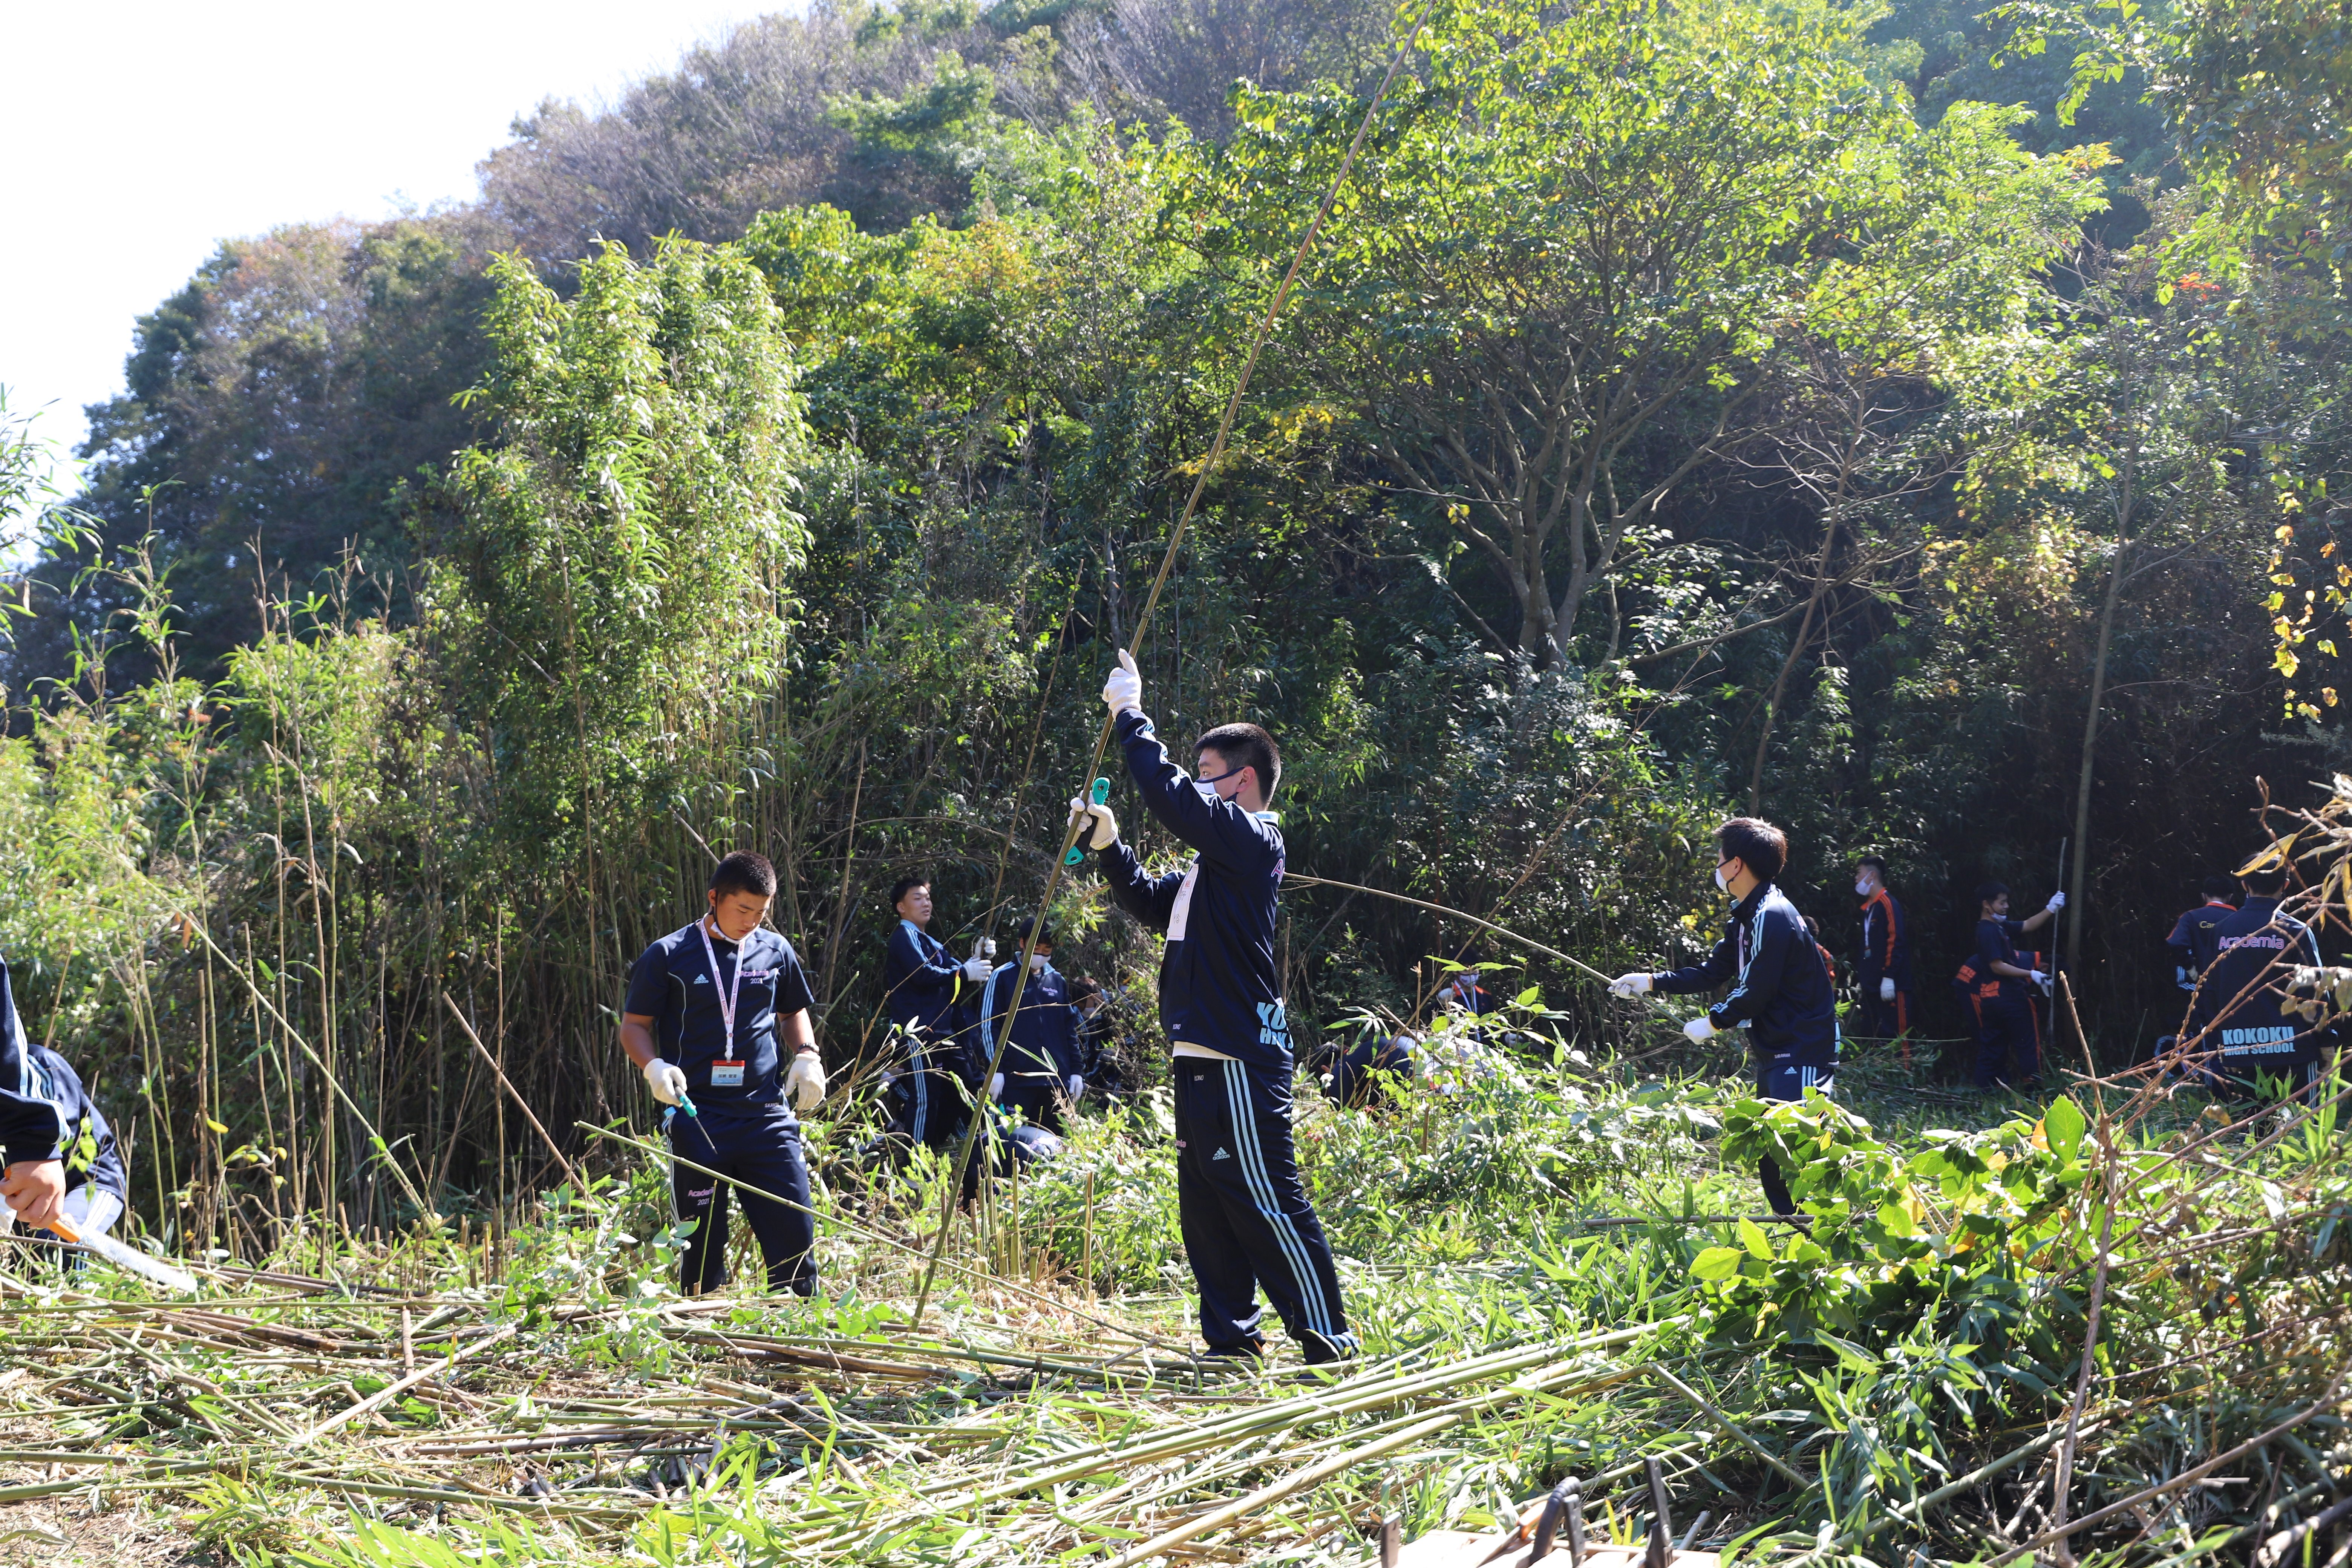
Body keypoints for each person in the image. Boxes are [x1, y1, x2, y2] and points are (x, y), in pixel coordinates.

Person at [1071, 650, 1359, 1364]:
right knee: (1207, 1205)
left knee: (1264, 1197)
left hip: (1238, 1051)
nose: (1199, 792)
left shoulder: (1256, 840)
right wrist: (1110, 846)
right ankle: (1232, 1341)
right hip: (1200, 1054)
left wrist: (1131, 718)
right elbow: (1147, 899)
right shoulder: (1211, 870)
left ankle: (1330, 1342)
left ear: (1246, 782)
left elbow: (1173, 797)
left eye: (1209, 780)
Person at [621, 851, 827, 1296]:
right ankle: (704, 1336)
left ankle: (794, 1338)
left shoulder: (776, 950)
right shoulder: (670, 954)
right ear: (715, 898)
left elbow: (794, 1010)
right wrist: (653, 1066)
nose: (752, 921)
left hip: (765, 1116)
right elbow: (634, 1026)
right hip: (698, 1116)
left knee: (794, 1233)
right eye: (743, 909)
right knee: (700, 1247)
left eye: (761, 912)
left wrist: (808, 1053)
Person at [1609, 818, 1838, 1217]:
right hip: (1776, 1049)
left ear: (1737, 864)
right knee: (1772, 1151)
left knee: (1797, 1153)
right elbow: (1711, 972)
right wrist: (1649, 981)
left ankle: (1822, 1245)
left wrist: (1714, 1021)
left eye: (1719, 858)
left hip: (1803, 1049)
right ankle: (1796, 1241)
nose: (1716, 866)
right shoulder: (1747, 916)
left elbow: (1757, 989)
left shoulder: (1773, 913)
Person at [0, 956, 129, 1248]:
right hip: (33, 1185)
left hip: (90, 1183)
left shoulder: (44, 1069)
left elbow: (56, 1136)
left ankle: (80, 1289)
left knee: (61, 1246)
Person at [2183, 859, 2331, 1096]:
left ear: (2244, 885)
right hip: (2294, 1051)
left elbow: (2208, 993)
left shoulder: (2222, 931)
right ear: (2285, 885)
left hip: (2238, 1050)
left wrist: (2218, 1047)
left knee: (2250, 1130)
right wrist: (2326, 1041)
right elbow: (2316, 991)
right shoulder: (2296, 930)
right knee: (2299, 1129)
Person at [880, 875, 990, 1155]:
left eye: (927, 897)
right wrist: (964, 972)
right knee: (925, 1098)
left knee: (964, 1090)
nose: (925, 902)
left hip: (944, 1032)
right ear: (901, 907)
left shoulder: (929, 940)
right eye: (917, 898)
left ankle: (960, 1155)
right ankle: (915, 1165)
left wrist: (977, 958)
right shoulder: (904, 937)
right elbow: (924, 975)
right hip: (918, 1031)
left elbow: (956, 969)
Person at [978, 916, 1084, 1136]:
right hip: (1015, 1082)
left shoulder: (1057, 980)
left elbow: (1069, 1031)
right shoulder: (1003, 977)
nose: (1041, 954)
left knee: (1052, 1145)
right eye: (1036, 947)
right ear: (1022, 943)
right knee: (1010, 1142)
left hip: (1055, 1083)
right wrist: (996, 1069)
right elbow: (989, 1026)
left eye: (1047, 949)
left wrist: (1076, 1072)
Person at [1967, 880, 2065, 1092]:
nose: (2006, 906)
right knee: (2028, 1045)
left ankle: (1983, 1092)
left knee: (1993, 1047)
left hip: (1991, 1000)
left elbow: (2028, 925)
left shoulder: (1998, 927)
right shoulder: (1988, 931)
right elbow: (1997, 966)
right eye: (2002, 903)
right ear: (1987, 905)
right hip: (2011, 997)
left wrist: (2050, 909)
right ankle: (2034, 1093)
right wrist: (2032, 974)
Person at [1852, 855, 1915, 1038]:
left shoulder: (1888, 903)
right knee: (1874, 1038)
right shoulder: (1868, 908)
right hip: (1872, 987)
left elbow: (1896, 940)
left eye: (1859, 873)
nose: (1856, 878)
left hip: (1892, 987)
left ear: (1872, 876)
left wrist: (1889, 976)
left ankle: (1905, 1068)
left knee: (1897, 1038)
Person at [2166, 876, 2239, 993]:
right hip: (2233, 990)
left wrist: (2192, 971)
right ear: (2230, 897)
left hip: (2200, 989)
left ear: (2204, 896)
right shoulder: (2240, 918)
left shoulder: (2191, 917)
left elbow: (2176, 944)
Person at [1328, 1024, 1418, 1112]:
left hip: (1403, 1066)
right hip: (1422, 1062)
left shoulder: (1343, 1065)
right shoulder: (1358, 1053)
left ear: (1325, 1068)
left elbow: (1341, 1109)